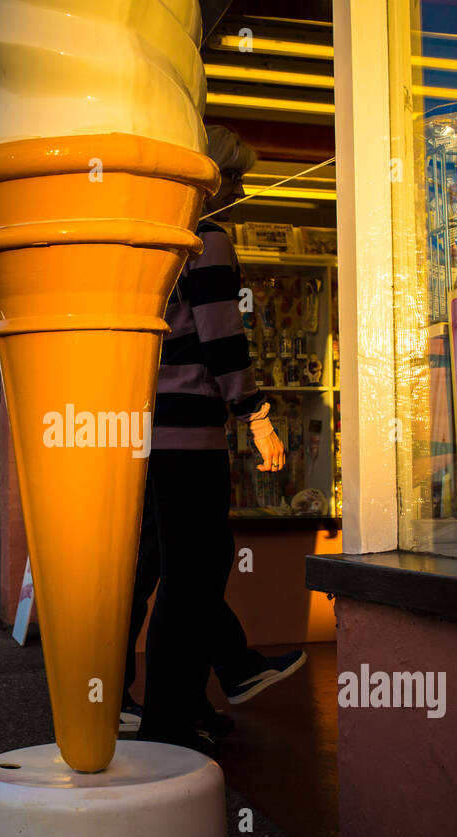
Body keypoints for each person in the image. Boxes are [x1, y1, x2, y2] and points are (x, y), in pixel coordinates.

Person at [126, 125, 307, 754]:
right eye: (237, 178)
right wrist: (257, 418)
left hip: (147, 433)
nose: (242, 189)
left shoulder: (158, 243)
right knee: (197, 572)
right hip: (190, 436)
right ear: (216, 181)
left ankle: (187, 702)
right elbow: (223, 341)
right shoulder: (210, 243)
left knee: (175, 569)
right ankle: (170, 719)